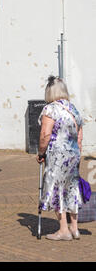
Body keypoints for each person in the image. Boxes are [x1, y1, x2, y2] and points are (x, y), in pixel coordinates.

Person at [36, 75, 83, 241]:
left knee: (57, 189)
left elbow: (45, 134)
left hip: (57, 156)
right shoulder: (73, 109)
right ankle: (74, 228)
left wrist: (41, 153)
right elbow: (79, 137)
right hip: (73, 155)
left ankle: (63, 230)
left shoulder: (50, 109)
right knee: (71, 189)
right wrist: (77, 155)